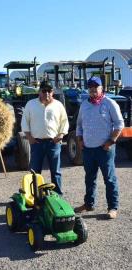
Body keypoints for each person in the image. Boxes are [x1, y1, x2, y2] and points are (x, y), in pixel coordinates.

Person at [75, 76, 124, 219]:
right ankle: (89, 204)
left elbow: (119, 124)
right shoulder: (84, 105)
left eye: (95, 87)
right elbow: (79, 125)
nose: (93, 90)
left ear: (101, 88)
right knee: (89, 178)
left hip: (105, 149)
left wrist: (111, 141)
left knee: (109, 179)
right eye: (90, 88)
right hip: (88, 149)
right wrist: (79, 140)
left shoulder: (109, 103)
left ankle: (113, 207)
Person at [21, 81, 69, 195]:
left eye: (49, 90)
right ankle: (35, 196)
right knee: (35, 172)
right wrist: (29, 137)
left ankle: (57, 195)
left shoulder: (58, 105)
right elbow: (24, 122)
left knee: (56, 172)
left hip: (54, 143)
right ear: (39, 91)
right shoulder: (31, 104)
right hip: (36, 143)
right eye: (44, 90)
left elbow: (64, 122)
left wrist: (61, 135)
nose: (47, 93)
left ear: (52, 92)